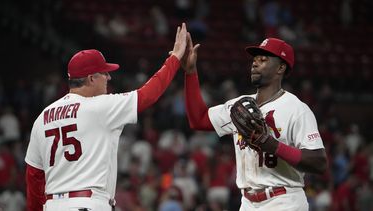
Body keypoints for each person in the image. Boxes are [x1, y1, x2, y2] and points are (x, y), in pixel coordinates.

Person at [25, 23, 188, 211]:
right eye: (105, 73)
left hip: (52, 205)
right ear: (91, 78)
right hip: (88, 204)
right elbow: (148, 95)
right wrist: (175, 58)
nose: (109, 78)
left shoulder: (42, 117)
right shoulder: (98, 106)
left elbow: (34, 176)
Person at [182, 36, 327, 210]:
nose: (255, 63)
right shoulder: (240, 107)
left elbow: (319, 163)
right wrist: (190, 72)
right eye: (255, 59)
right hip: (248, 202)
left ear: (281, 67)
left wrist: (273, 146)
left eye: (263, 59)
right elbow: (198, 120)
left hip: (284, 200)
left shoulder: (296, 109)